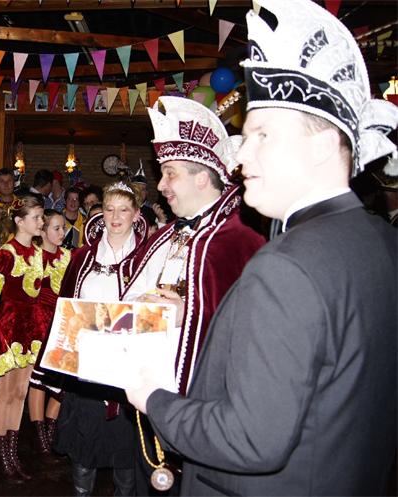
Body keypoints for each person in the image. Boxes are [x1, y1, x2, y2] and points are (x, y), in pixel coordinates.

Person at [125, 1, 398, 495]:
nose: (241, 155)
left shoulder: (287, 266)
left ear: (321, 145)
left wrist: (154, 399)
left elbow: (251, 440)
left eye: (262, 135)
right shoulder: (381, 240)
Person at [126, 95, 265, 493]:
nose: (161, 185)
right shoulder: (167, 234)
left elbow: (255, 328)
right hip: (149, 396)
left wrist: (189, 311)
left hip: (201, 410)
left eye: (169, 174)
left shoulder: (239, 237)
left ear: (202, 177)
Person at [54, 182, 151, 496]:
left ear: (136, 214)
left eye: (124, 209)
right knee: (85, 442)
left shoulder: (148, 259)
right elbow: (66, 307)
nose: (116, 217)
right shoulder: (83, 257)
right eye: (109, 209)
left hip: (130, 369)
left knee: (125, 446)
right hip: (88, 367)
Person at [0, 194, 46, 483]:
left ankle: (13, 452)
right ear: (20, 221)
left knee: (22, 392)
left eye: (41, 217)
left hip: (30, 329)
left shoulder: (37, 252)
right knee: (6, 392)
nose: (41, 222)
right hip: (8, 329)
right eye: (36, 217)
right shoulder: (4, 254)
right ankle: (2, 455)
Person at [28, 209, 71, 454]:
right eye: (56, 228)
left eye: (63, 227)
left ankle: (52, 428)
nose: (62, 232)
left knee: (61, 378)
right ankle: (39, 433)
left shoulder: (69, 256)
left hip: (62, 323)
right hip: (38, 322)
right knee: (38, 379)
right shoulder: (35, 256)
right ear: (43, 231)